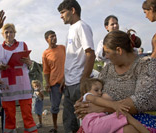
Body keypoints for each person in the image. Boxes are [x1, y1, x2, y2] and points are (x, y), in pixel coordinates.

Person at [74, 29, 156, 132]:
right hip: (105, 121)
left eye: (107, 52)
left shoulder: (146, 65)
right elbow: (94, 89)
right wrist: (83, 104)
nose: (106, 56)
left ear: (119, 50)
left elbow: (142, 101)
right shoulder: (108, 68)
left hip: (137, 122)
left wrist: (102, 108)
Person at [57, 0, 96, 132]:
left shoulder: (82, 26)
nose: (61, 16)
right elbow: (71, 58)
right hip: (69, 84)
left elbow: (90, 54)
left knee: (84, 122)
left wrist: (84, 80)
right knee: (69, 122)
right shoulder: (70, 30)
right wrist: (64, 78)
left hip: (78, 83)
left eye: (63, 12)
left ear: (72, 11)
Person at [0, 23, 37, 133]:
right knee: (9, 114)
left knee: (27, 113)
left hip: (22, 83)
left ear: (15, 33)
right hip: (7, 84)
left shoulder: (22, 45)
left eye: (11, 31)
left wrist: (28, 62)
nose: (9, 34)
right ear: (3, 34)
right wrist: (0, 67)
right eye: (6, 32)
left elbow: (29, 62)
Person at [77, 78, 149, 133]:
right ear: (85, 91)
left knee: (129, 129)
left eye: (101, 90)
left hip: (97, 125)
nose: (100, 93)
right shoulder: (87, 96)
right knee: (124, 114)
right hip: (93, 124)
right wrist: (114, 105)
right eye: (96, 90)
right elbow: (95, 100)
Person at [42, 30, 65, 133]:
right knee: (55, 107)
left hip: (67, 82)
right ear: (47, 39)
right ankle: (55, 126)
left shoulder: (62, 48)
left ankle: (73, 125)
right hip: (54, 84)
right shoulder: (45, 53)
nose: (54, 38)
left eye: (55, 36)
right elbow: (46, 71)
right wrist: (47, 83)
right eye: (52, 36)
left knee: (71, 105)